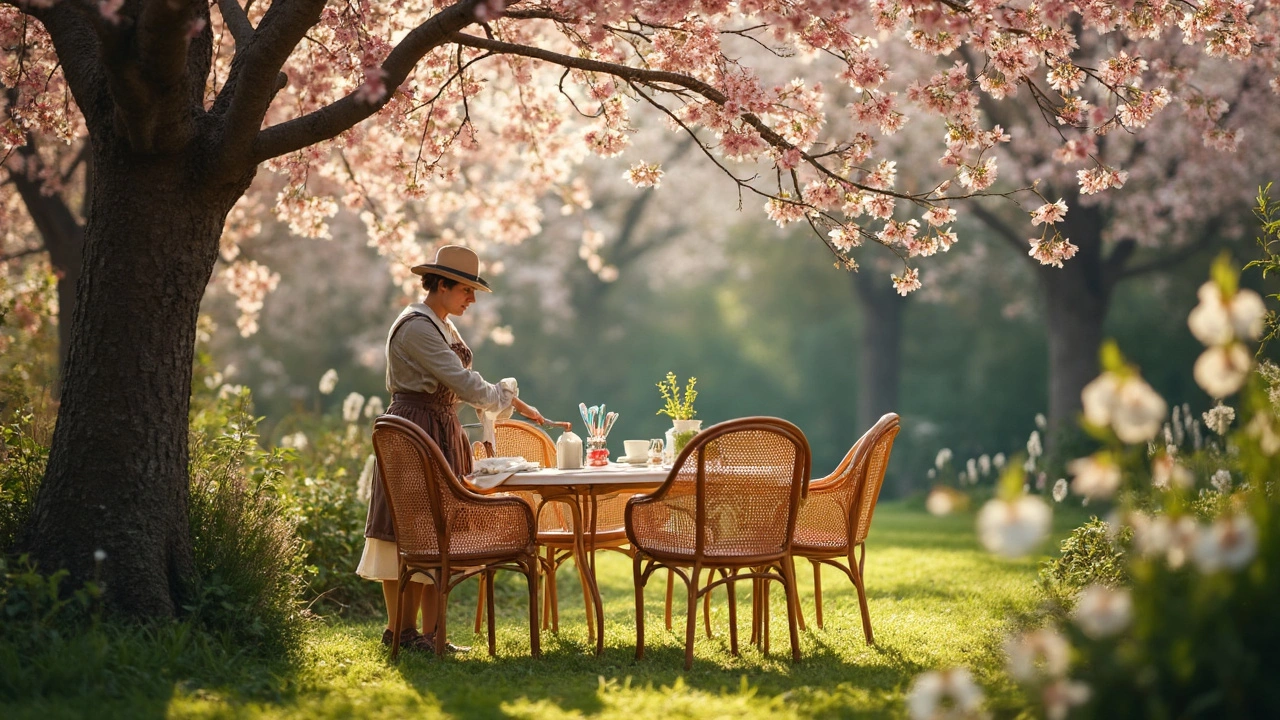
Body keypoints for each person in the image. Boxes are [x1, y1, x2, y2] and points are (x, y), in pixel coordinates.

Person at [356, 244, 551, 653]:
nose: (472, 299)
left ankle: (432, 634)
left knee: (442, 528)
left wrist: (505, 398)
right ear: (441, 285)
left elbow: (464, 379)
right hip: (415, 428)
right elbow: (461, 381)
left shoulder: (442, 324)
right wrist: (501, 395)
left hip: (442, 428)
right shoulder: (416, 327)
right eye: (466, 289)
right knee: (405, 529)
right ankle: (401, 632)